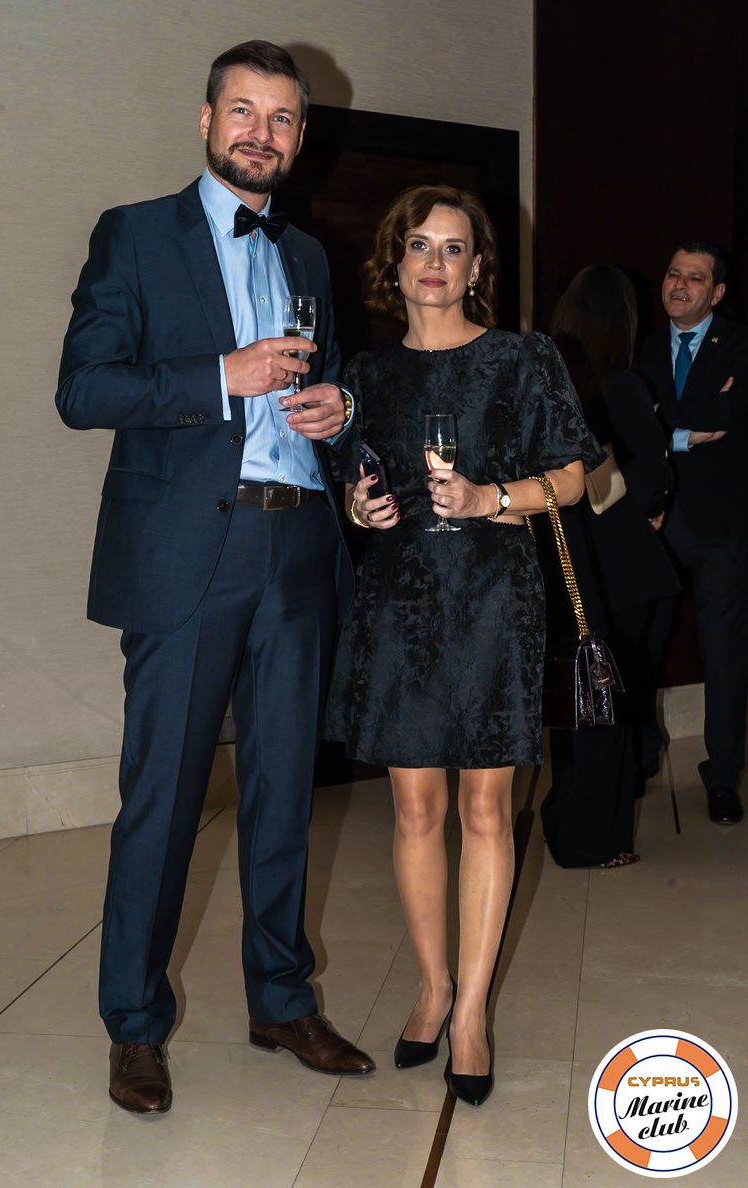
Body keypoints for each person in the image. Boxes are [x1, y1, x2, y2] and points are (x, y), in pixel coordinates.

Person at [56, 40, 375, 1116]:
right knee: (164, 796)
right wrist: (220, 376)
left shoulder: (310, 256)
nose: (261, 134)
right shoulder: (135, 234)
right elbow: (83, 389)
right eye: (243, 111)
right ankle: (134, 1024)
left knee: (284, 788)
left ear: (299, 137)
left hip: (297, 547)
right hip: (190, 552)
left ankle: (281, 999)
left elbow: (326, 387)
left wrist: (337, 412)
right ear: (206, 120)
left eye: (282, 119)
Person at [324, 185, 603, 1106]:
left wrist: (493, 498)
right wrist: (361, 508)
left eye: (454, 248)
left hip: (493, 600)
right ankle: (432, 987)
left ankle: (474, 1010)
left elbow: (575, 478)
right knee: (414, 812)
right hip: (401, 603)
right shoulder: (365, 377)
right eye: (420, 245)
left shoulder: (522, 360)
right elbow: (360, 483)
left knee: (486, 811)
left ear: (478, 267)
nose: (435, 263)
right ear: (395, 263)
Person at [539, 265, 680, 868]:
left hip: (563, 567)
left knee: (574, 705)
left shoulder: (546, 385)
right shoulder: (623, 387)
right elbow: (651, 478)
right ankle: (597, 837)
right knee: (614, 709)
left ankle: (566, 818)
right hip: (624, 571)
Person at [638, 242, 748, 826]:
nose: (679, 285)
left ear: (717, 292)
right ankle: (638, 758)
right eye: (673, 273)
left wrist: (663, 420)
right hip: (650, 525)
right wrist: (687, 428)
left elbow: (729, 419)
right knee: (641, 649)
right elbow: (626, 420)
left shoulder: (742, 345)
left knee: (724, 658)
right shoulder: (643, 346)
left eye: (695, 278)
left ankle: (722, 777)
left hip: (720, 529)